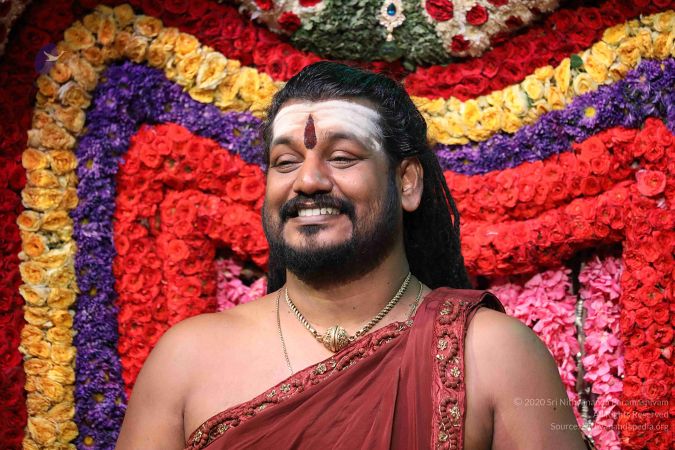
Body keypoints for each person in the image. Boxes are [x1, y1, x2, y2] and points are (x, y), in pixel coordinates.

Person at [116, 62, 595, 449]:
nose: (308, 181)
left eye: (342, 157)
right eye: (285, 162)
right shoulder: (187, 359)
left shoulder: (495, 354)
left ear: (407, 182)